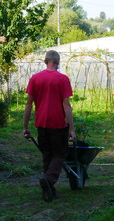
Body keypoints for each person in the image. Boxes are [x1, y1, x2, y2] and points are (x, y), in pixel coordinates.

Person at [23, 50, 75, 202]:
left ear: (46, 61)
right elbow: (66, 105)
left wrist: (25, 127)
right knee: (59, 154)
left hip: (41, 124)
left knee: (47, 155)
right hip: (58, 123)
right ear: (58, 63)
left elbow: (28, 105)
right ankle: (49, 180)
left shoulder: (35, 78)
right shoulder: (62, 79)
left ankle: (48, 191)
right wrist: (72, 128)